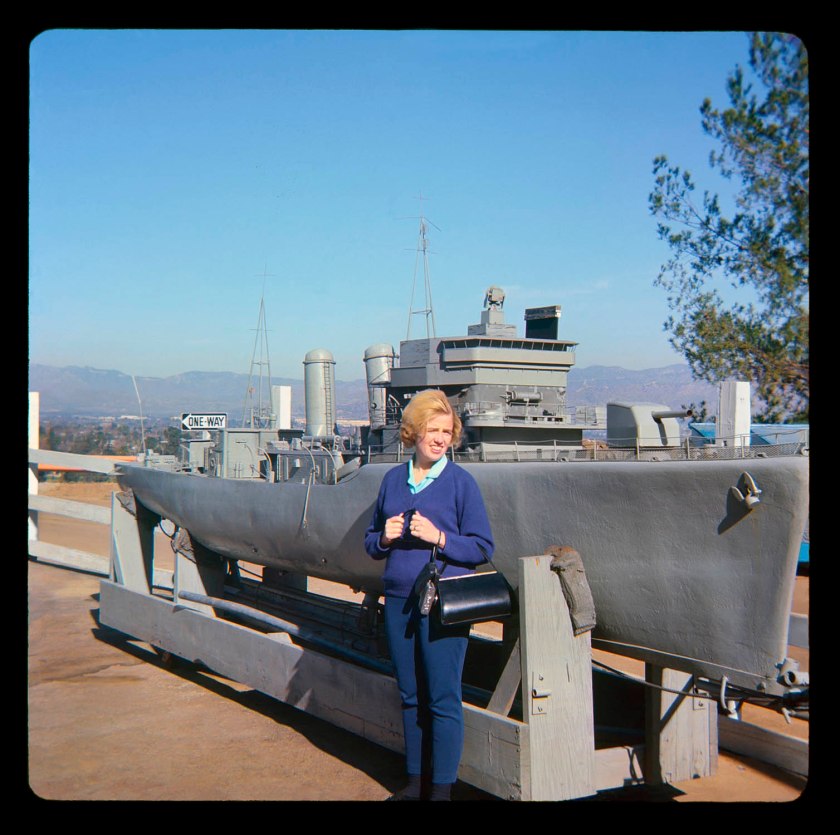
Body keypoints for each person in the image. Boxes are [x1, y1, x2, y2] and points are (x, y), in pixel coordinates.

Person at [364, 389, 494, 801]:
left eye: (446, 431)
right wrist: (382, 537)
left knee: (441, 697)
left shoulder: (460, 484)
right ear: (413, 432)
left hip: (442, 605)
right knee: (410, 695)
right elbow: (370, 542)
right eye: (431, 430)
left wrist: (439, 537)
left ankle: (441, 793)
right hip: (400, 600)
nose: (440, 438)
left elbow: (482, 547)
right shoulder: (391, 481)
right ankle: (415, 783)